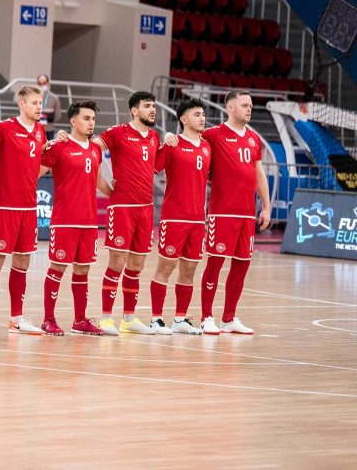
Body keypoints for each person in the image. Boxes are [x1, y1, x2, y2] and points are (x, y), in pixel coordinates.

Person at [166, 91, 271, 335]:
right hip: (222, 213)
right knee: (214, 264)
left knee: (242, 266)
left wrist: (266, 207)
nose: (249, 109)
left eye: (251, 105)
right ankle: (206, 317)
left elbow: (259, 174)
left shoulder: (254, 138)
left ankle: (229, 318)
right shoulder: (213, 134)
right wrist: (170, 136)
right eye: (244, 105)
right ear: (230, 108)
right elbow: (188, 138)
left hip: (247, 213)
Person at [38, 101, 113, 336]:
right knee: (58, 267)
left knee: (83, 270)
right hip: (65, 220)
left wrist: (118, 193)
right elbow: (34, 173)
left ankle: (80, 320)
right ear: (73, 121)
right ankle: (48, 320)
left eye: (93, 119)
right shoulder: (59, 146)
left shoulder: (95, 149)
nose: (91, 123)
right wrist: (42, 147)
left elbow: (99, 181)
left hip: (89, 221)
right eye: (86, 118)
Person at [93, 91, 161, 336]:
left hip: (145, 208)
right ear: (134, 110)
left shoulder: (154, 137)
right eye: (147, 105)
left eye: (153, 106)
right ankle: (106, 318)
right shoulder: (118, 132)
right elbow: (91, 149)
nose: (152, 109)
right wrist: (103, 186)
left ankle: (129, 319)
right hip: (122, 207)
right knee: (117, 262)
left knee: (137, 265)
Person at [0, 85, 47, 336]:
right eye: (34, 102)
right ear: (21, 104)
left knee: (22, 262)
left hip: (28, 207)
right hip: (5, 206)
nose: (39, 107)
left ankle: (16, 318)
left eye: (40, 102)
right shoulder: (4, 127)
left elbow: (38, 161)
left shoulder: (40, 131)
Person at [148, 99, 210, 335]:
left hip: (198, 219)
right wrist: (164, 141)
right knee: (165, 267)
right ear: (183, 119)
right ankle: (156, 319)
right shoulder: (172, 144)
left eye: (203, 114)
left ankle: (180, 319)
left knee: (189, 269)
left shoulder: (207, 147)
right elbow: (150, 168)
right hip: (174, 217)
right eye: (197, 114)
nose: (202, 118)